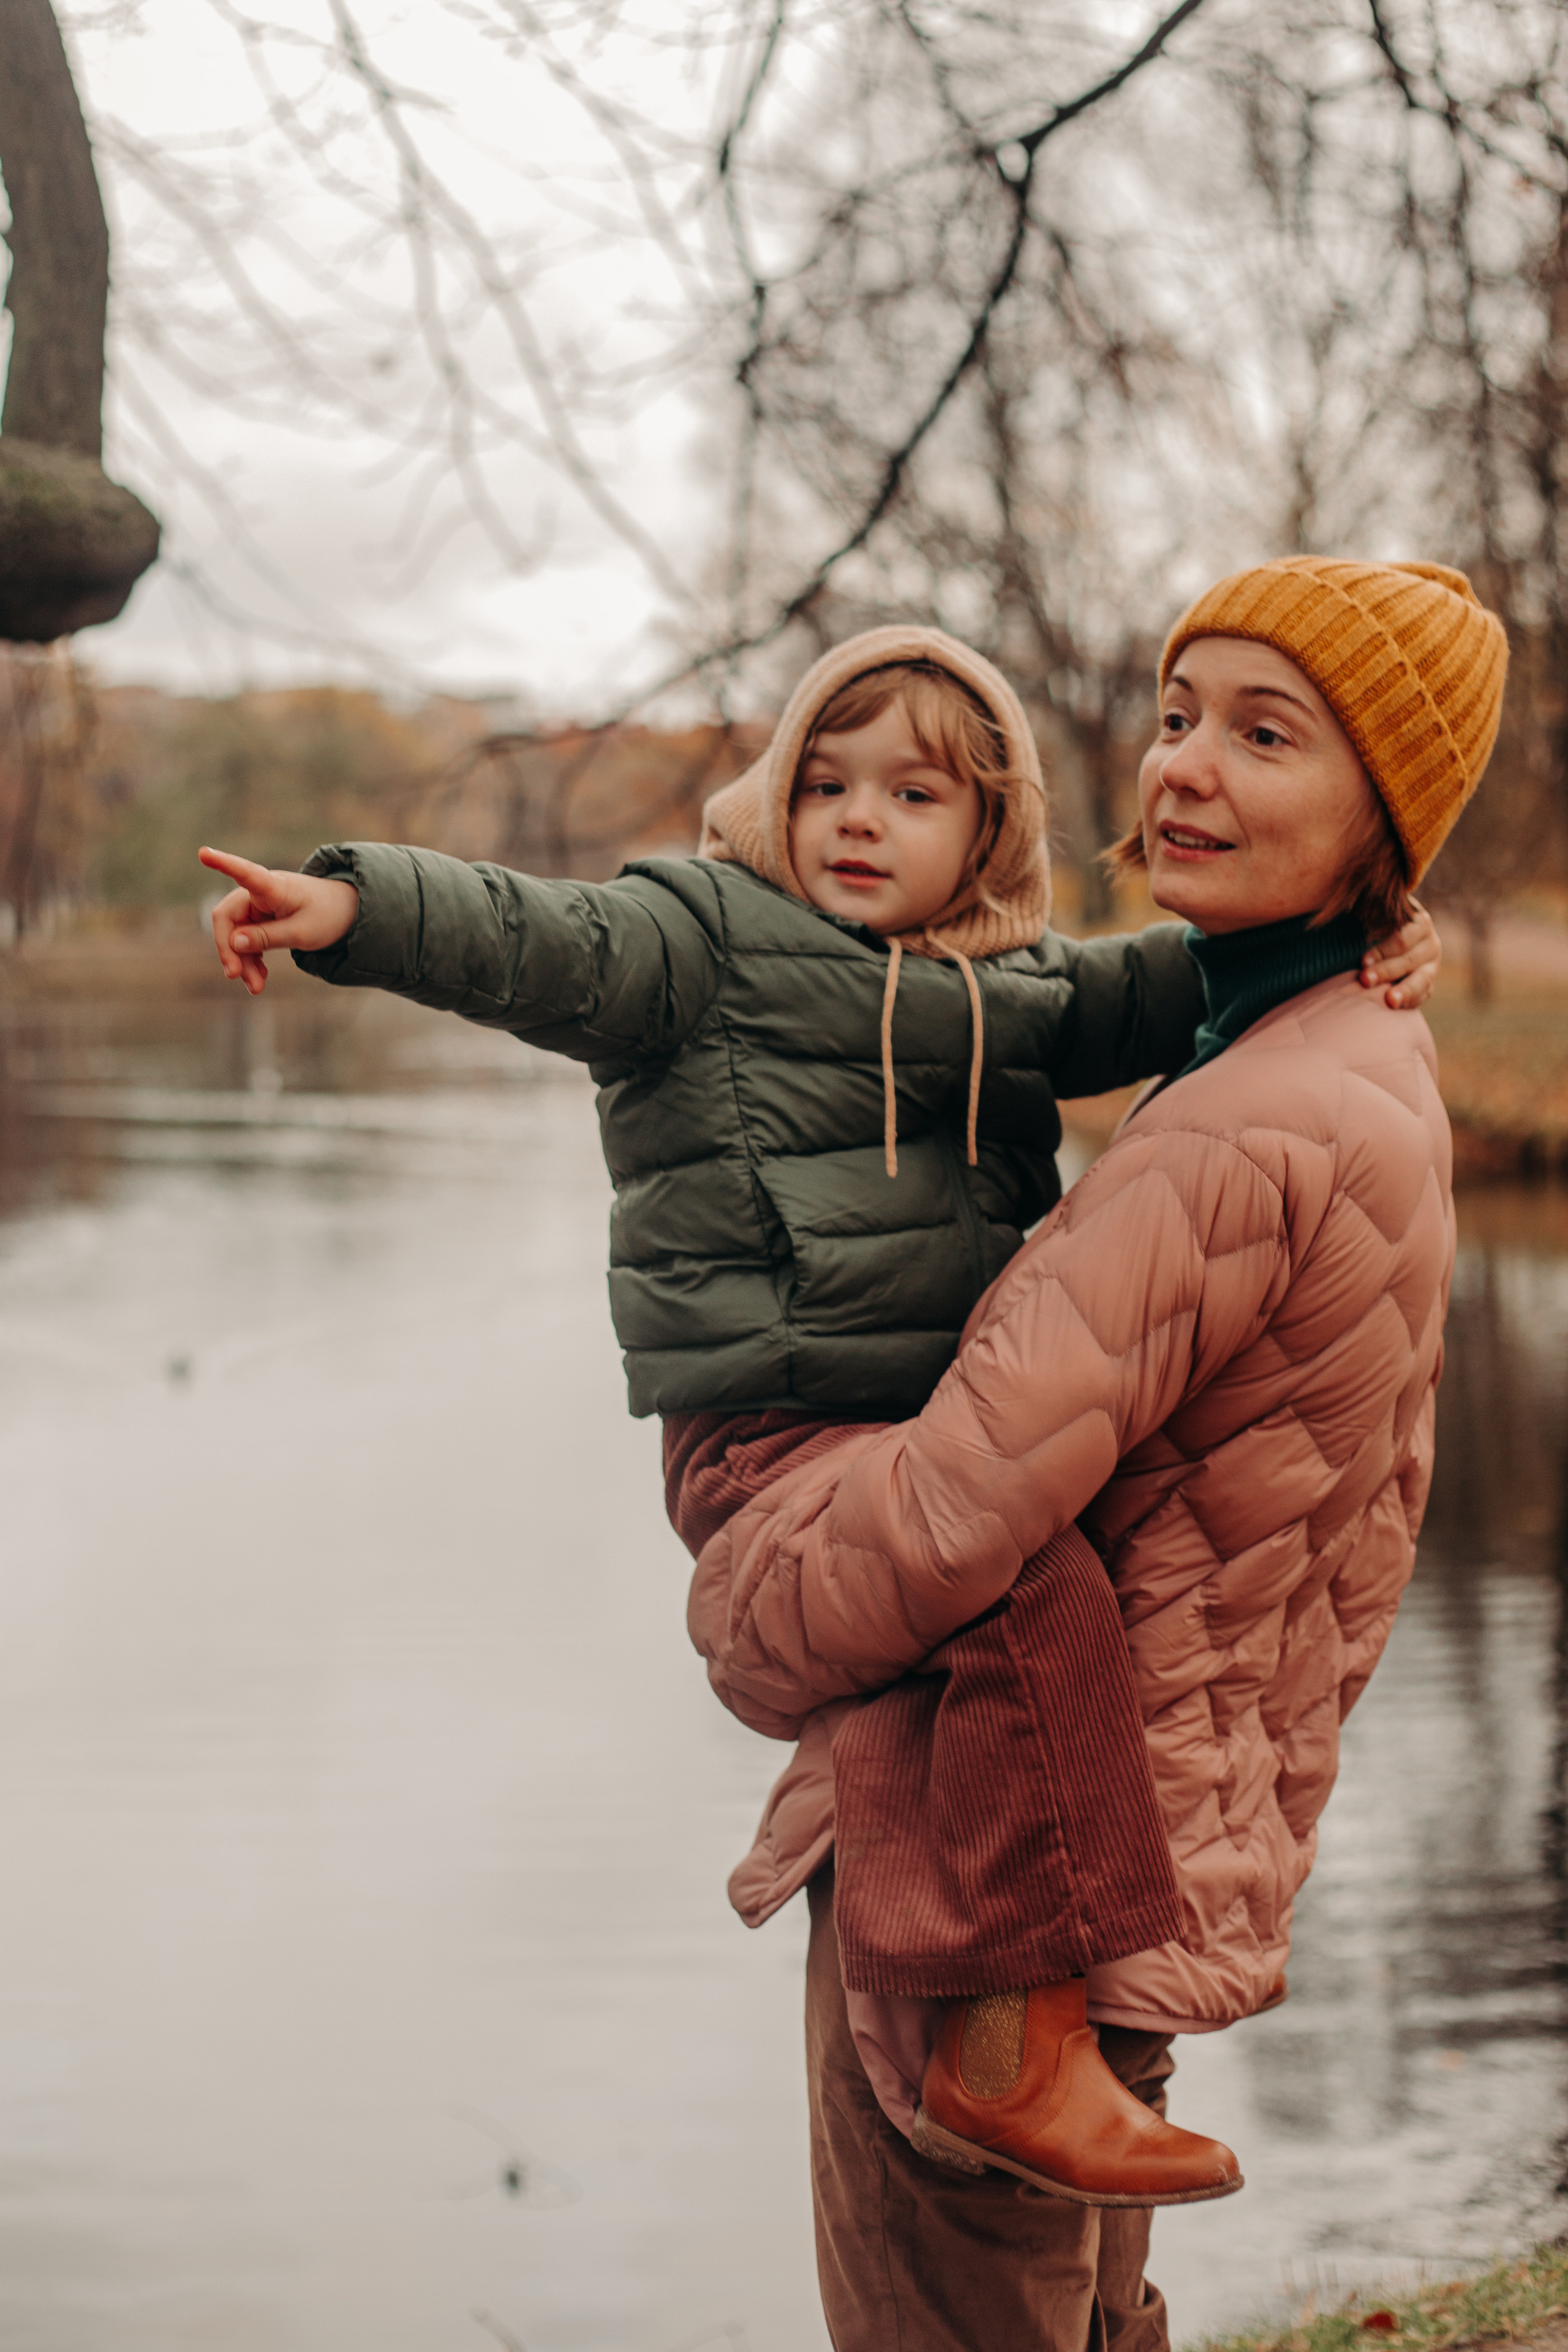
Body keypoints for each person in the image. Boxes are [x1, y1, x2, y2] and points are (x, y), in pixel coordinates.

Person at [197, 619, 1438, 2214]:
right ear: (776, 793)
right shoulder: (702, 944)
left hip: (909, 1435)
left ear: (985, 837)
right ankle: (1009, 2049)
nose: (859, 821)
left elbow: (1186, 980)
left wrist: (1373, 934)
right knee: (1031, 1595)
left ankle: (1042, 2035)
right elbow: (537, 937)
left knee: (1025, 1601)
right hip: (775, 1427)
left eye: (914, 796)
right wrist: (356, 908)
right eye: (826, 784)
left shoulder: (1005, 991)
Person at [684, 556, 1506, 2350]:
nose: (1184, 765)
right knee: (1084, 2317)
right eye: (1180, 713)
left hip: (993, 1872)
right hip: (1134, 1832)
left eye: (1266, 735)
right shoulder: (1342, 1051)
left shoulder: (1242, 1131)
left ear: (1383, 820)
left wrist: (745, 1598)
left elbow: (946, 1513)